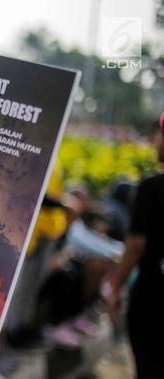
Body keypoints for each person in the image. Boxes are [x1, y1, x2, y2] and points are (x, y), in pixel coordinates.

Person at [106, 115, 164, 379]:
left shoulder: (152, 188)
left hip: (154, 297)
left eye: (157, 135)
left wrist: (116, 287)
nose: (153, 142)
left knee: (149, 365)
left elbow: (135, 245)